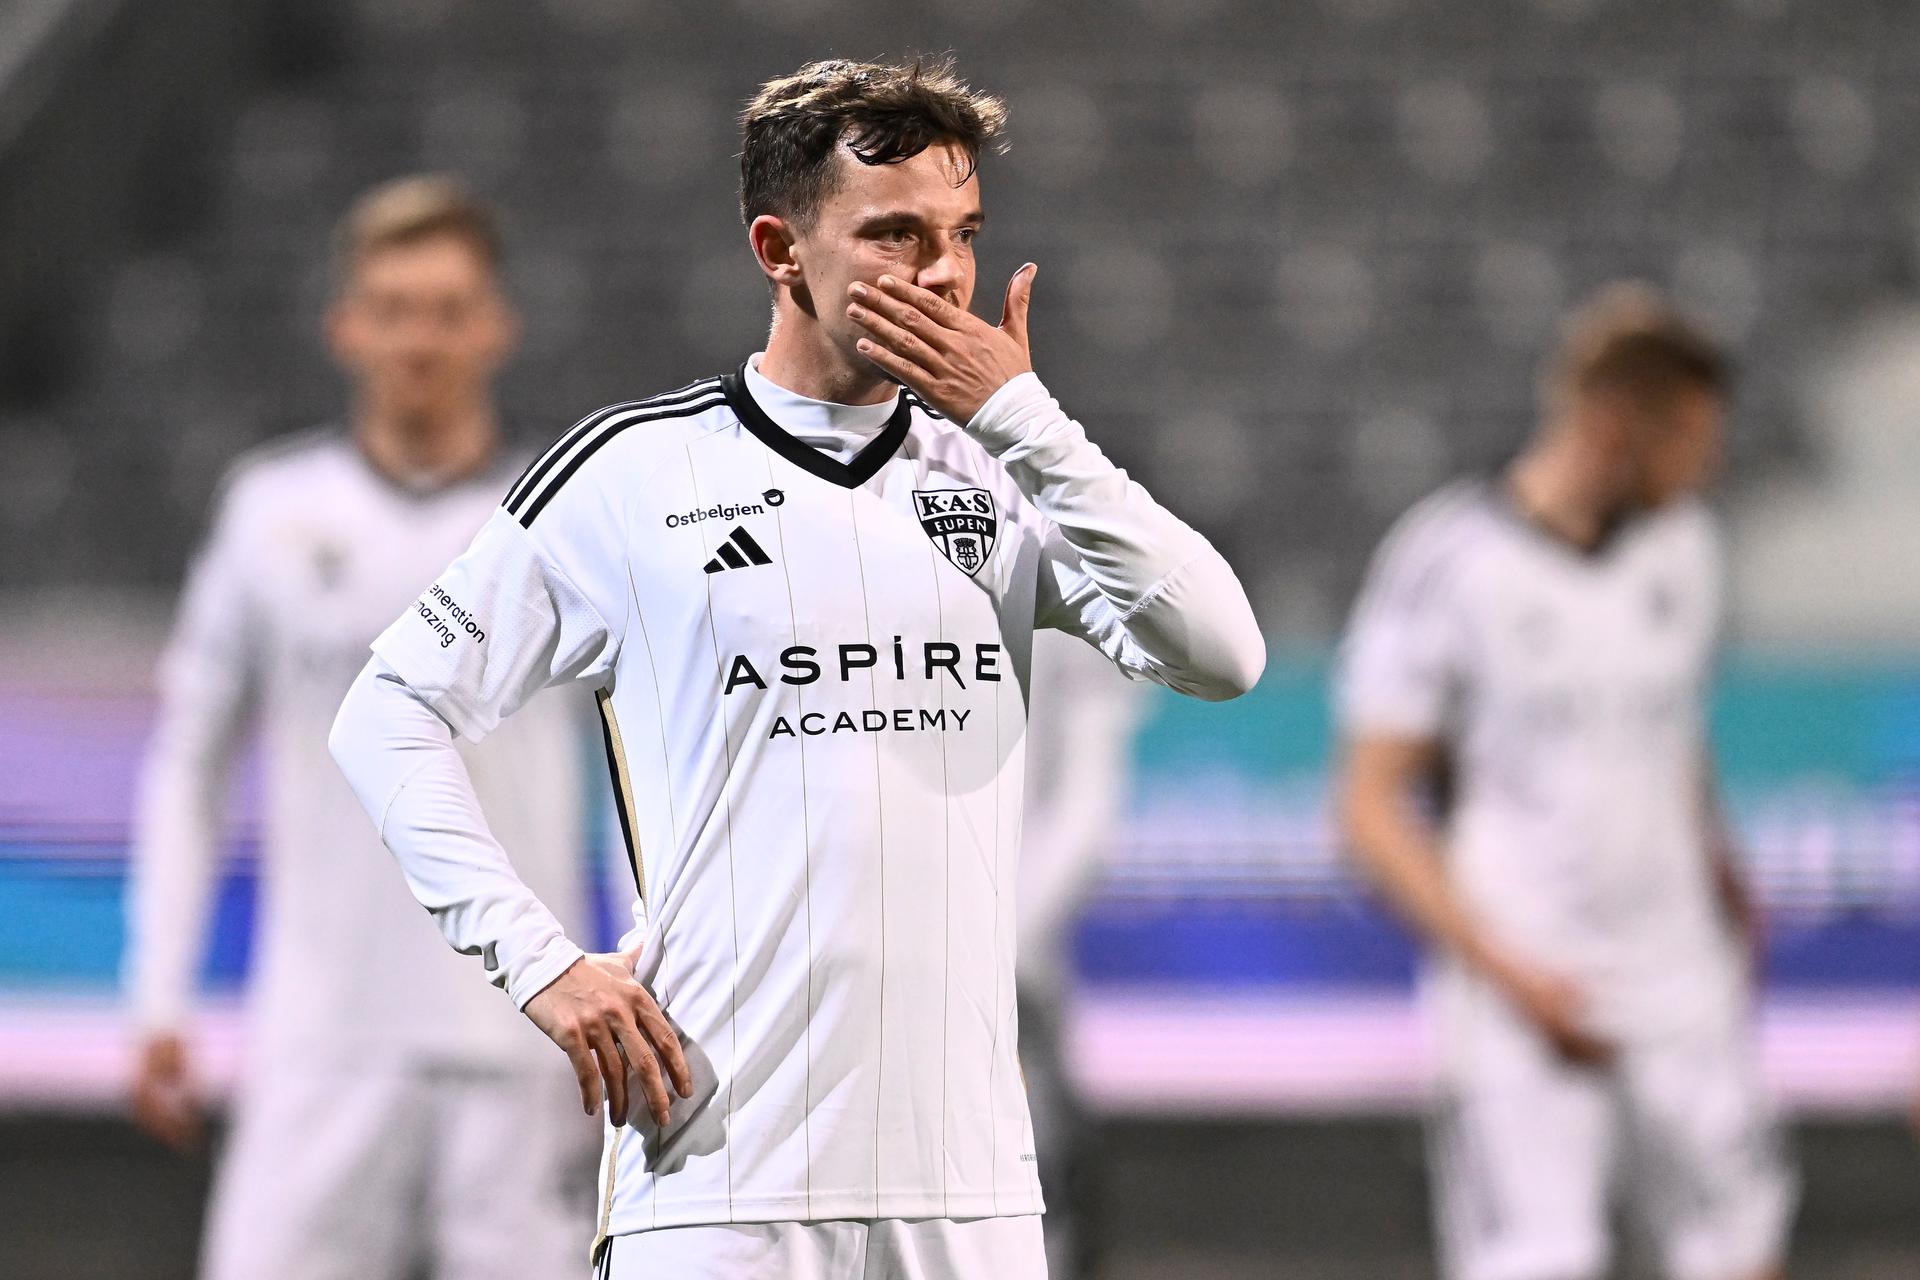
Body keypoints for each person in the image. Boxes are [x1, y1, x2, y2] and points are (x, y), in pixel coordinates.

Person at [327, 57, 1264, 1280]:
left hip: (969, 1194)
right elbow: (388, 709)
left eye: (962, 234)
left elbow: (1222, 652)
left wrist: (1025, 420)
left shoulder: (1005, 475)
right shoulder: (632, 475)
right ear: (779, 248)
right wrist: (541, 960)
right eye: (895, 234)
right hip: (720, 1178)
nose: (941, 272)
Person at [124, 175, 598, 1280]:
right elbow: (189, 762)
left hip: (521, 1035)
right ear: (346, 324)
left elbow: (645, 777)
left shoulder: (564, 519)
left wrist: (648, 981)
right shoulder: (268, 512)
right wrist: (158, 989)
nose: (419, 337)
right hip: (321, 1040)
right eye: (393, 307)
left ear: (495, 326)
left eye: (446, 309)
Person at [1334, 284, 1796, 1280]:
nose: (1704, 467)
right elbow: (1368, 806)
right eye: (1689, 441)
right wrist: (1504, 967)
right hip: (1527, 982)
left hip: (1682, 980)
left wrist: (1721, 874)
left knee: (1736, 1242)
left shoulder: (1687, 546)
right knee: (1540, 1256)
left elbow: (1673, 734)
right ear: (1615, 425)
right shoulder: (1447, 560)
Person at [1017, 629, 1145, 1280]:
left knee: (1029, 1189)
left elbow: (1088, 797)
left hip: (1013, 981)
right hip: (830, 974)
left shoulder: (1055, 543)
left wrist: (997, 948)